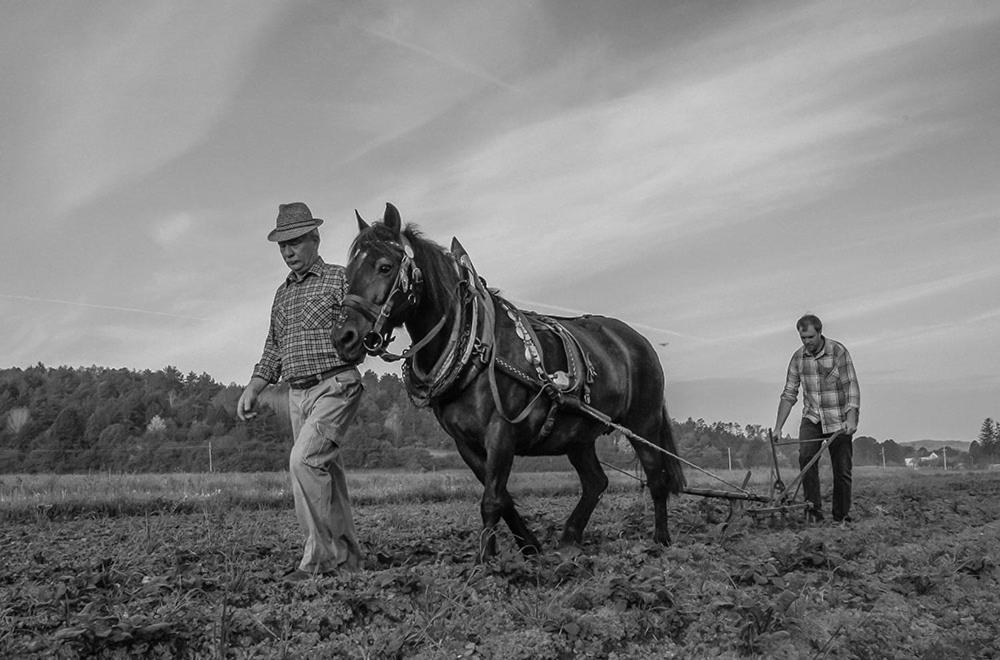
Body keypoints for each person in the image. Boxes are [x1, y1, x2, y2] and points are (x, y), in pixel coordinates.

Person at [236, 202, 364, 580]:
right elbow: (273, 347)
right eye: (282, 246)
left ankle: (318, 562)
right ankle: (349, 563)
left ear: (315, 238)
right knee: (326, 476)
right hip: (298, 395)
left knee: (303, 461)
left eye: (295, 242)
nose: (289, 252)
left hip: (336, 385)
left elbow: (363, 325)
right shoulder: (282, 294)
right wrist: (254, 387)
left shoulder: (341, 280)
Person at [774, 314, 860, 523]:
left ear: (820, 332)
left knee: (842, 469)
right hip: (812, 417)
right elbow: (789, 393)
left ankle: (841, 517)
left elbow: (851, 387)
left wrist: (851, 419)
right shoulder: (798, 358)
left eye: (811, 337)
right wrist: (777, 428)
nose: (807, 342)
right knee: (806, 459)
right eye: (803, 338)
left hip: (838, 419)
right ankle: (814, 513)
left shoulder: (837, 352)